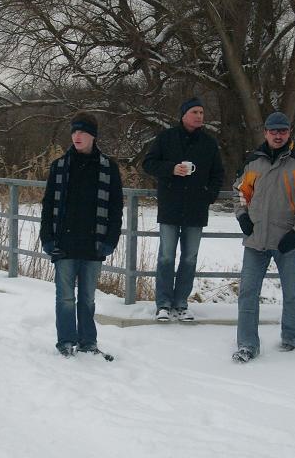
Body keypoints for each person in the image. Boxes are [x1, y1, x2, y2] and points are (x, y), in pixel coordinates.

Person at [231, 111, 295, 363]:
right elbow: (239, 192)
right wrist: (242, 217)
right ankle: (247, 344)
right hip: (256, 239)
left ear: (289, 132)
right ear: (266, 133)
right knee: (248, 293)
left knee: (291, 292)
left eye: (282, 131)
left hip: (287, 240)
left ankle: (291, 339)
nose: (278, 135)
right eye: (273, 131)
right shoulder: (253, 162)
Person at [40, 111, 123, 358]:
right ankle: (66, 341)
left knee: (87, 298)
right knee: (65, 297)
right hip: (64, 242)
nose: (77, 136)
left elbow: (116, 208)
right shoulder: (59, 166)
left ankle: (88, 342)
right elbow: (47, 205)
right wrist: (47, 238)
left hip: (94, 243)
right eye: (74, 131)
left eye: (83, 132)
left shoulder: (108, 168)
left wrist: (110, 240)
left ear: (93, 136)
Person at [142, 97, 225, 322]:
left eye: (201, 112)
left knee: (189, 259)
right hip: (170, 206)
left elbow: (218, 174)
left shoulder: (209, 143)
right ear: (183, 115)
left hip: (196, 209)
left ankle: (181, 303)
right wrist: (171, 169)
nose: (199, 116)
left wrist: (208, 196)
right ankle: (163, 304)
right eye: (194, 112)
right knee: (166, 257)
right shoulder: (166, 138)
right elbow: (148, 164)